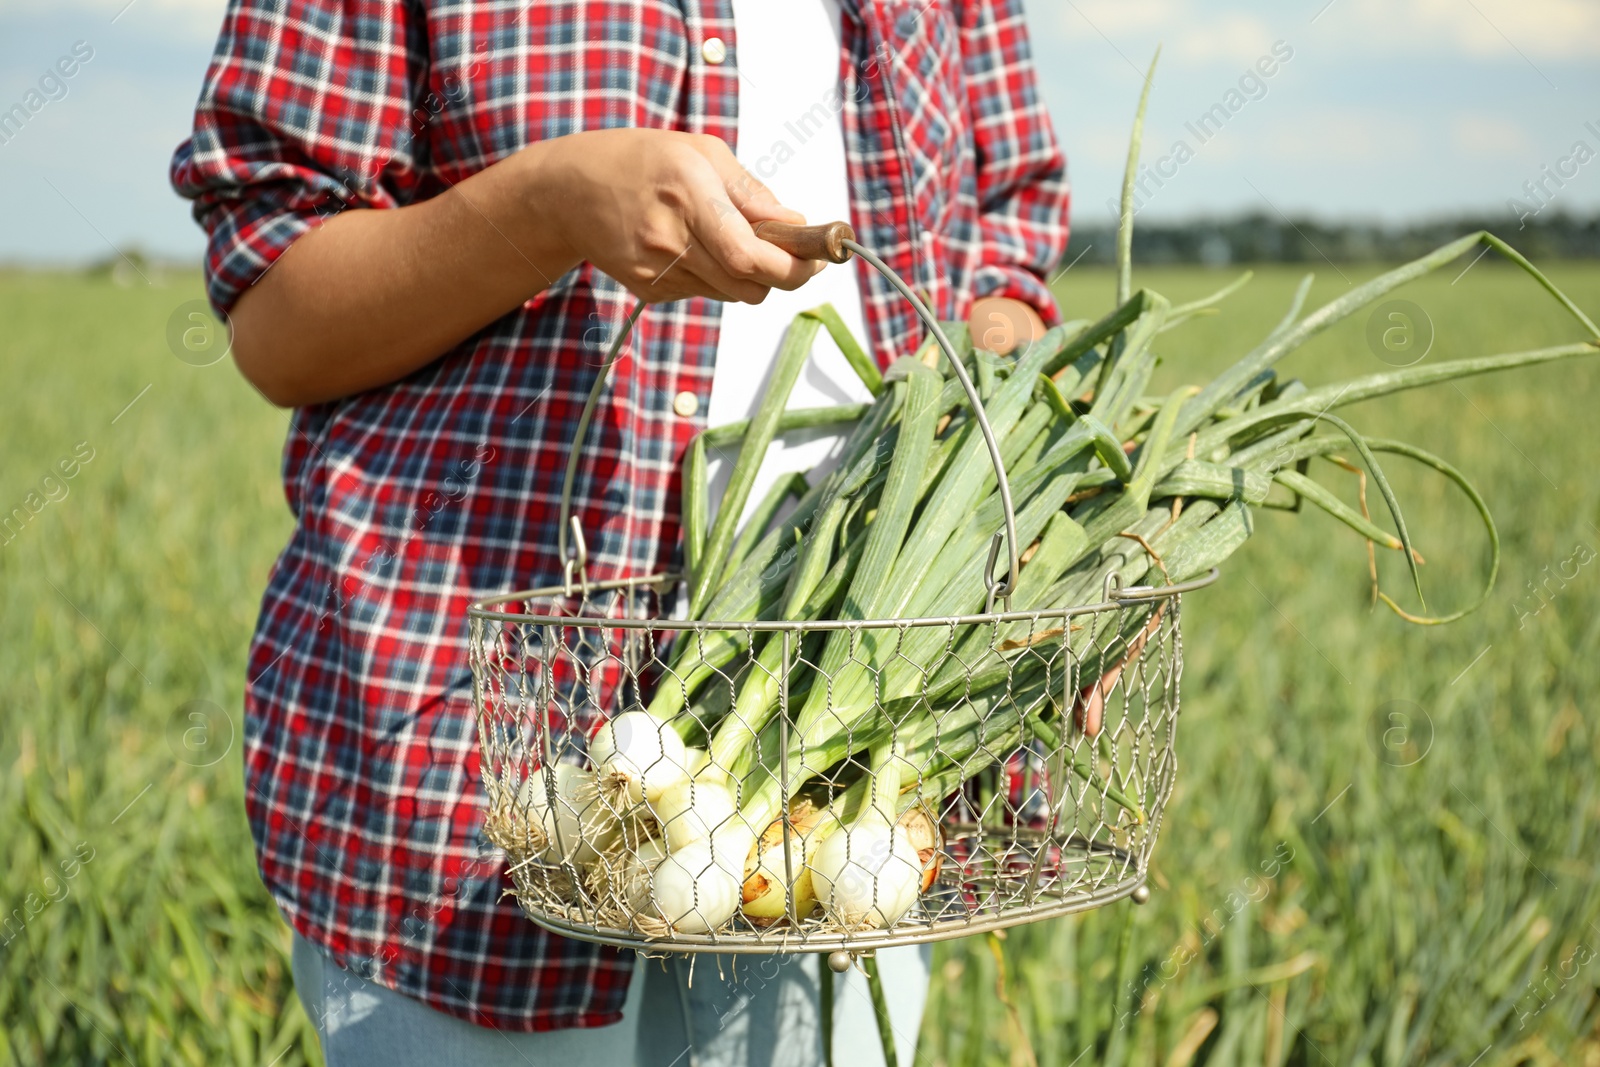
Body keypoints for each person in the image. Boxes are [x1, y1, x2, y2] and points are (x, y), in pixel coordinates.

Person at [171, 0, 1068, 1063]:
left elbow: (1005, 267)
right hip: (477, 783)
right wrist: (546, 206)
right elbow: (278, 322)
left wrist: (1003, 498)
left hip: (833, 804)